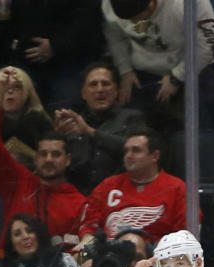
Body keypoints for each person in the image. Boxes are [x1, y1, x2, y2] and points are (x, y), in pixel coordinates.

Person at [0, 68, 87, 254]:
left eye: (55, 154)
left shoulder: (79, 203)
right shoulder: (18, 182)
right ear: (36, 158)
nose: (48, 159)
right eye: (43, 154)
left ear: (67, 160)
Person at [101, 0, 214, 130]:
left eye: (139, 18)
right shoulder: (108, 4)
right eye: (130, 19)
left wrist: (177, 76)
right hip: (144, 69)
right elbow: (115, 36)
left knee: (200, 120)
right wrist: (125, 70)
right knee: (136, 124)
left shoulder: (188, 4)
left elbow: (209, 46)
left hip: (192, 66)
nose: (134, 24)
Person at [78, 127, 189, 248]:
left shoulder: (177, 188)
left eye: (136, 151)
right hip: (108, 253)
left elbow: (184, 234)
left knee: (131, 242)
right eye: (126, 151)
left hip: (155, 255)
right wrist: (87, 238)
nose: (128, 156)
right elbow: (89, 223)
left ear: (155, 156)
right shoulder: (108, 185)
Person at [0, 0, 103, 110]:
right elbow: (14, 21)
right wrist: (1, 15)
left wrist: (55, 46)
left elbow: (88, 20)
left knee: (64, 111)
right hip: (27, 62)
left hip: (69, 62)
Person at [53, 62, 145, 194]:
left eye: (106, 84)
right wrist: (57, 136)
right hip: (79, 198)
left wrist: (90, 132)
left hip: (122, 196)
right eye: (93, 84)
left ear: (116, 91)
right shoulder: (71, 125)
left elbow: (139, 150)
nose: (100, 90)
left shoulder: (132, 118)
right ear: (84, 93)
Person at [0, 65, 53, 168]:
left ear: (27, 92)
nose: (9, 91)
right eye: (4, 87)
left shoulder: (41, 122)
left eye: (17, 87)